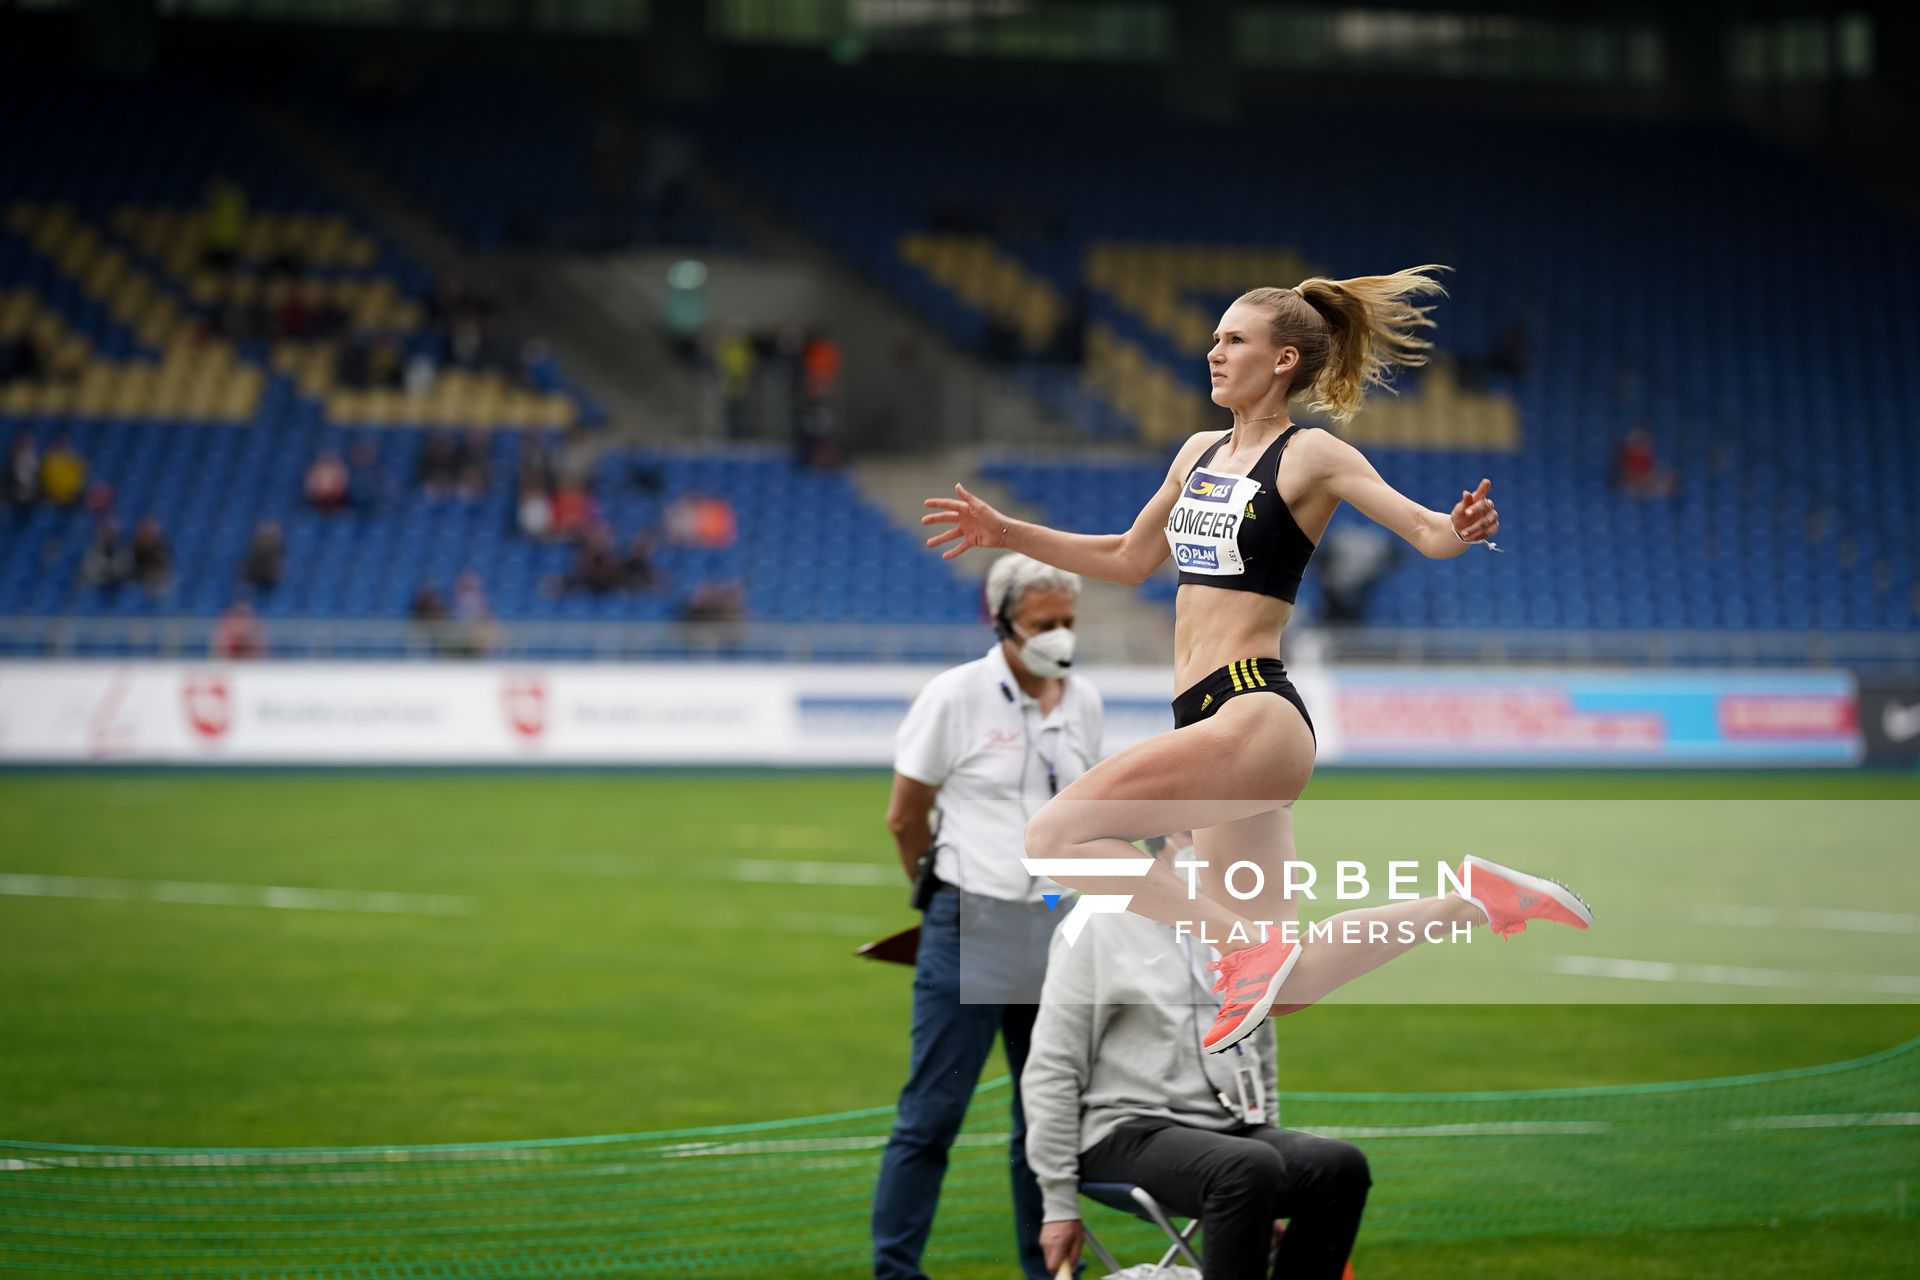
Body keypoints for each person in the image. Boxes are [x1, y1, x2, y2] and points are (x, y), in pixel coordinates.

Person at [922, 267, 1591, 1056]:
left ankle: (1247, 949)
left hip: (1251, 711)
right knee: (1291, 985)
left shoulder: (1312, 456)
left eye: (1233, 340)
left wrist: (1461, 525)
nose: (1214, 352)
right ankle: (1475, 899)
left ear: (1281, 362)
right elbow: (1131, 558)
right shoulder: (1199, 452)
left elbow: (1428, 532)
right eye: (1213, 339)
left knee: (1055, 837)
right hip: (1214, 727)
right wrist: (1008, 532)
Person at [873, 554, 1105, 1280]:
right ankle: (897, 1272)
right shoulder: (955, 696)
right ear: (1002, 621)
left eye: (1068, 622)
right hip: (970, 925)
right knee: (931, 1117)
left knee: (1046, 1123)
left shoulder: (1084, 701)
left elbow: (1086, 816)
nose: (1060, 637)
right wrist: (941, 896)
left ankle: (1048, 1274)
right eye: (1045, 624)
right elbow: (905, 816)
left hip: (1055, 929)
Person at [1023, 833, 1370, 1280]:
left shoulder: (1242, 928)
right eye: (1197, 829)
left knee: (1338, 1166)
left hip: (1231, 1134)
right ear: (1162, 837)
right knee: (1248, 1166)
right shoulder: (1098, 925)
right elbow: (1053, 1065)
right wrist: (1057, 1204)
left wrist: (1269, 1166)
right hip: (1123, 1132)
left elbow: (1258, 1053)